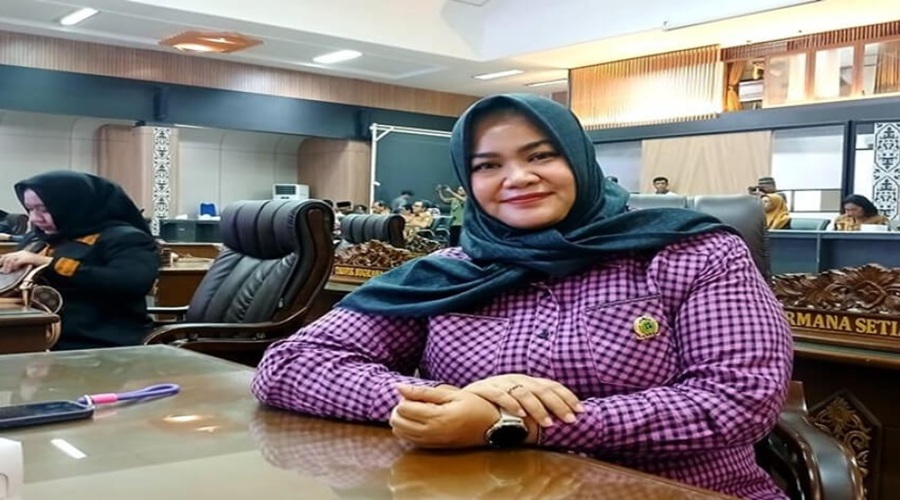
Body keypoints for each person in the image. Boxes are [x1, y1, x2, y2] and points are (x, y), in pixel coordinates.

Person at [253, 94, 792, 499]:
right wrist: (440, 403)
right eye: (488, 165)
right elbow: (289, 365)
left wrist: (513, 424)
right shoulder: (449, 273)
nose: (517, 178)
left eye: (541, 155)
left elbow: (739, 399)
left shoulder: (689, 254)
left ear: (579, 160)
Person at [0, 171, 161, 350]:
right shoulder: (38, 238)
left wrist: (49, 263)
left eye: (44, 209)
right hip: (36, 331)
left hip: (97, 340)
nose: (34, 219)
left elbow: (131, 282)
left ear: (74, 205)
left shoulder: (124, 237)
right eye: (30, 209)